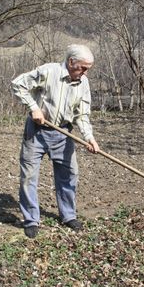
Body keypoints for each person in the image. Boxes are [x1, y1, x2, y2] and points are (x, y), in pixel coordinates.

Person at [11, 44, 100, 238]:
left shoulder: (83, 83)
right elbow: (18, 84)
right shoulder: (49, 71)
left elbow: (82, 114)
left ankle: (68, 215)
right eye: (82, 68)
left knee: (69, 175)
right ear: (71, 62)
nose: (84, 73)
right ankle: (31, 219)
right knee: (29, 176)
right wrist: (33, 107)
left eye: (87, 69)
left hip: (64, 134)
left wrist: (89, 137)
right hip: (36, 132)